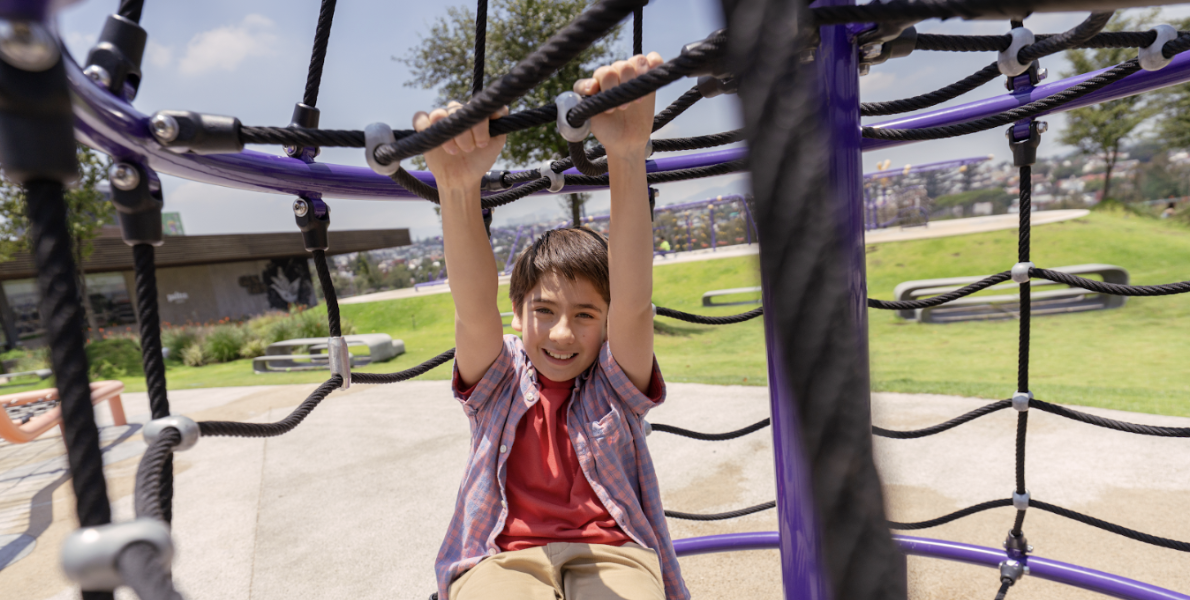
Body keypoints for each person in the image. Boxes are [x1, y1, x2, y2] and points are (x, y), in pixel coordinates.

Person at [415, 52, 688, 600]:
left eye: (586, 315)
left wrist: (627, 154)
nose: (562, 333)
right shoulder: (500, 381)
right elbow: (472, 309)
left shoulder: (614, 383)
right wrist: (459, 186)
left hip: (612, 551)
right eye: (544, 311)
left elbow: (634, 303)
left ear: (606, 323)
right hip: (504, 557)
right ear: (518, 315)